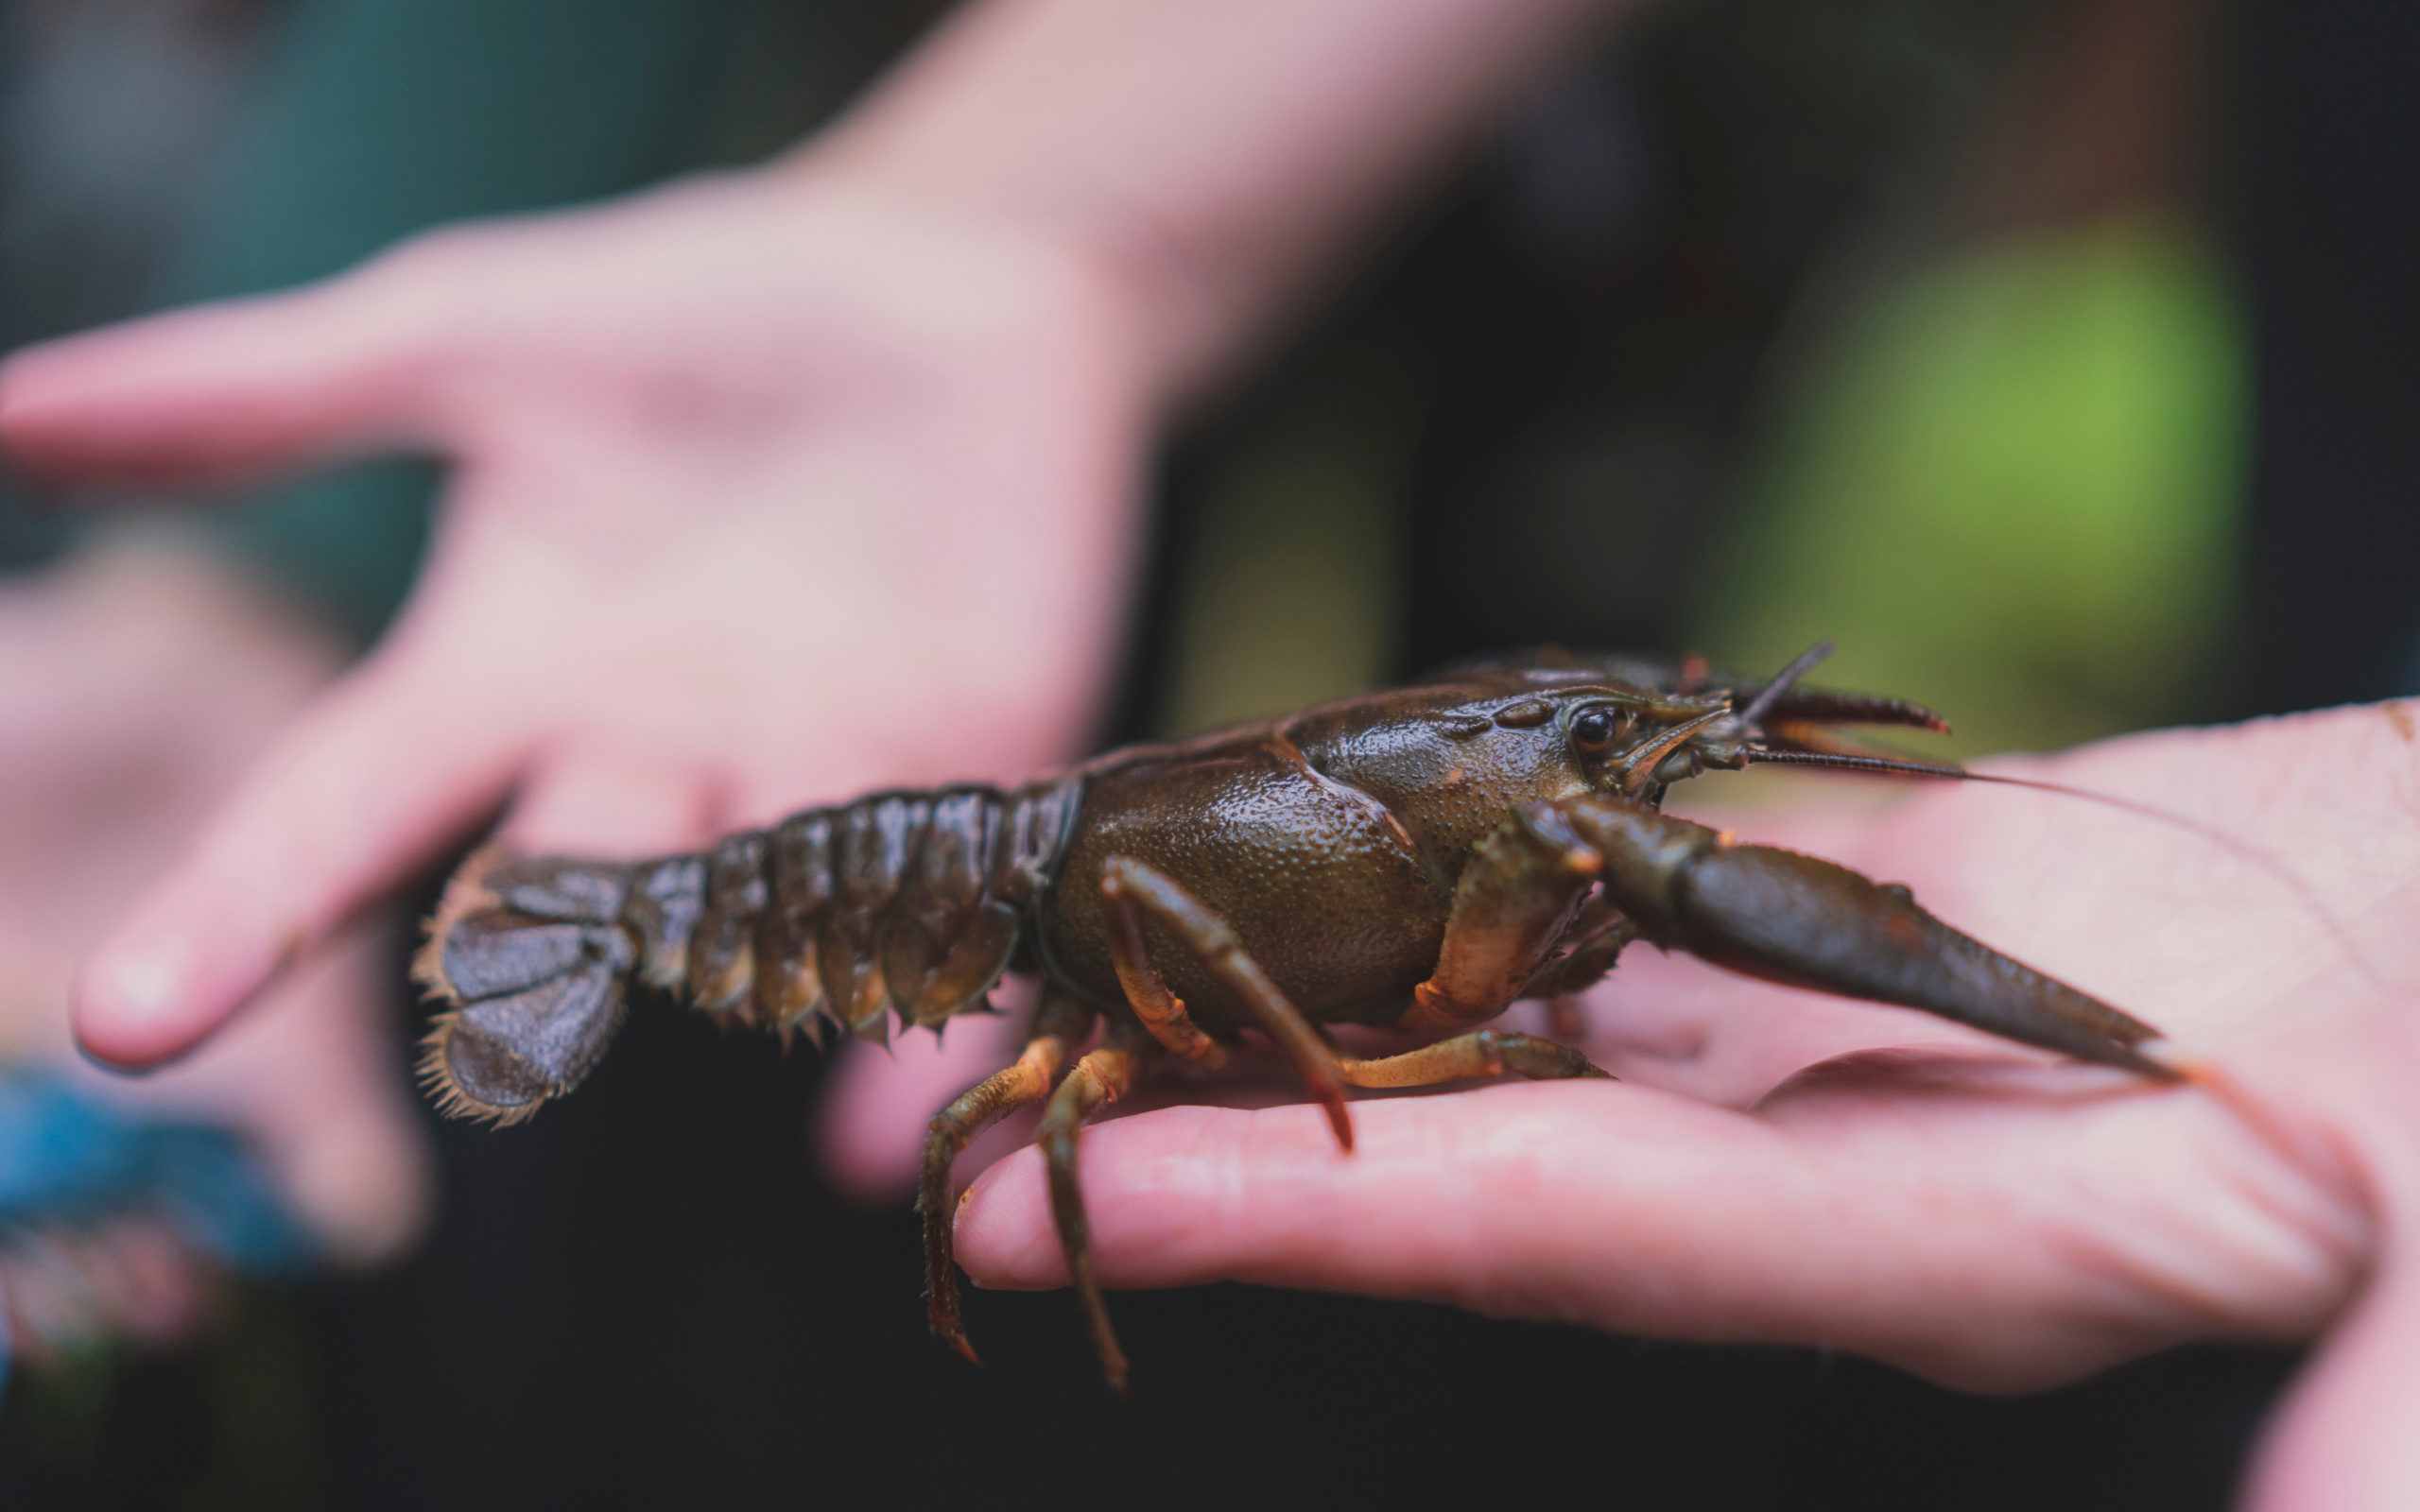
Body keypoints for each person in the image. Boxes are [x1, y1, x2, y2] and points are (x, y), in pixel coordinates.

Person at [0, 0, 2411, 1505]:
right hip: (858, 901)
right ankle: (599, 927)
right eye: (1579, 773)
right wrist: (1037, 220)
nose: (1607, 806)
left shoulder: (1514, 814)